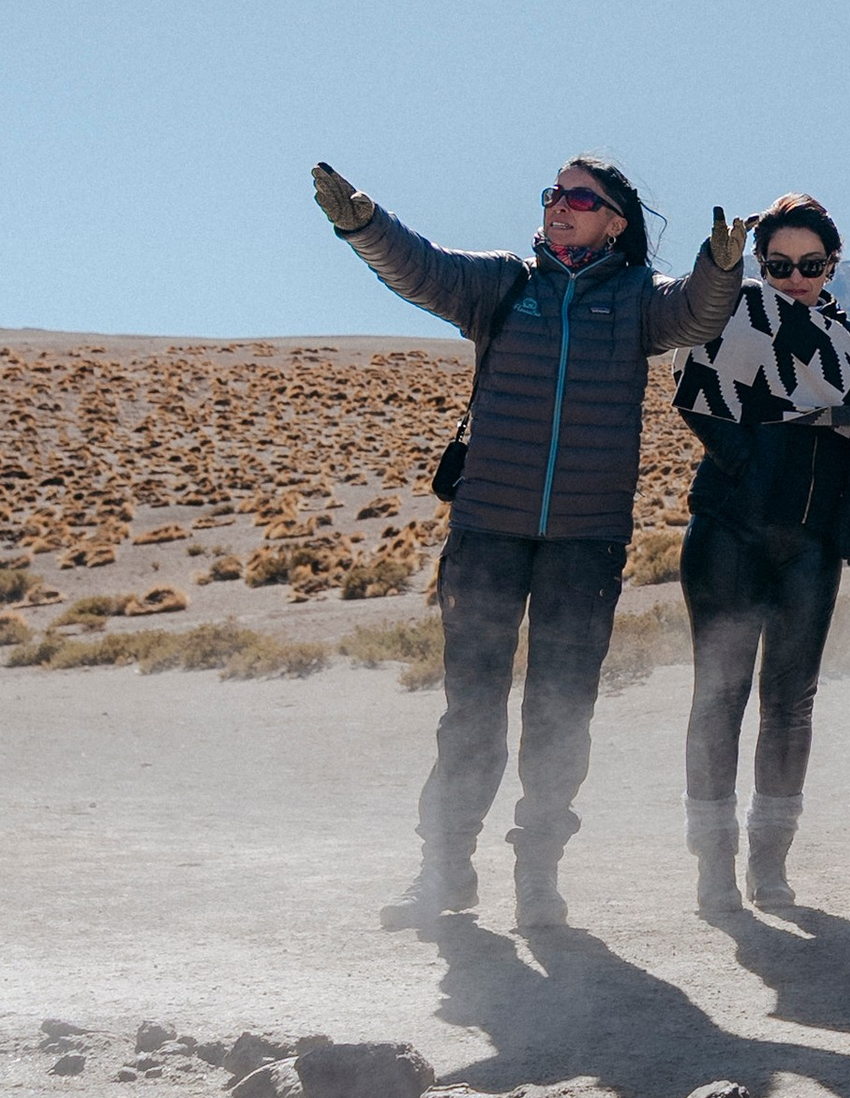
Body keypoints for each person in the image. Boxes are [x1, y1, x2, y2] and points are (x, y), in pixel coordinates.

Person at [309, 155, 743, 936]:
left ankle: (537, 875)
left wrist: (720, 266)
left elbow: (696, 316)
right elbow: (422, 270)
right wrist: (364, 227)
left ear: (615, 218)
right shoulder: (504, 284)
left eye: (580, 198)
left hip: (587, 541)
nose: (559, 206)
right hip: (486, 533)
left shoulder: (637, 301)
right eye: (553, 194)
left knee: (559, 714)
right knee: (468, 712)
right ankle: (443, 870)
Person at [672, 193, 850, 919]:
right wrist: (755, 465)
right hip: (730, 531)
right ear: (760, 263)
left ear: (832, 263)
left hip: (812, 542)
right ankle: (712, 867)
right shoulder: (730, 313)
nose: (795, 278)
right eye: (778, 265)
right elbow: (697, 398)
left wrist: (842, 523)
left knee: (791, 702)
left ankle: (770, 867)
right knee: (720, 695)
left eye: (811, 265)